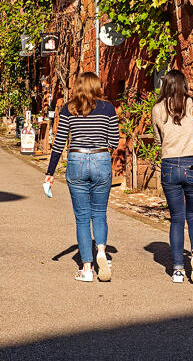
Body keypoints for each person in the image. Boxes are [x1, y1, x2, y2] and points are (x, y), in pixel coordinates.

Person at [45, 72, 120, 282]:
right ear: (97, 86)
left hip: (76, 159)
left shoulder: (68, 109)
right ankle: (102, 252)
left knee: (81, 218)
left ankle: (86, 269)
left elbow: (59, 143)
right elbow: (114, 140)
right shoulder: (108, 108)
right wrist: (104, 156)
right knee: (99, 213)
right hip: (100, 158)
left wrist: (50, 172)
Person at [152, 69, 193, 284]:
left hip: (170, 164)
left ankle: (178, 270)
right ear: (184, 85)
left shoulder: (157, 108)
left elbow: (157, 139)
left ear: (166, 85)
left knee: (177, 218)